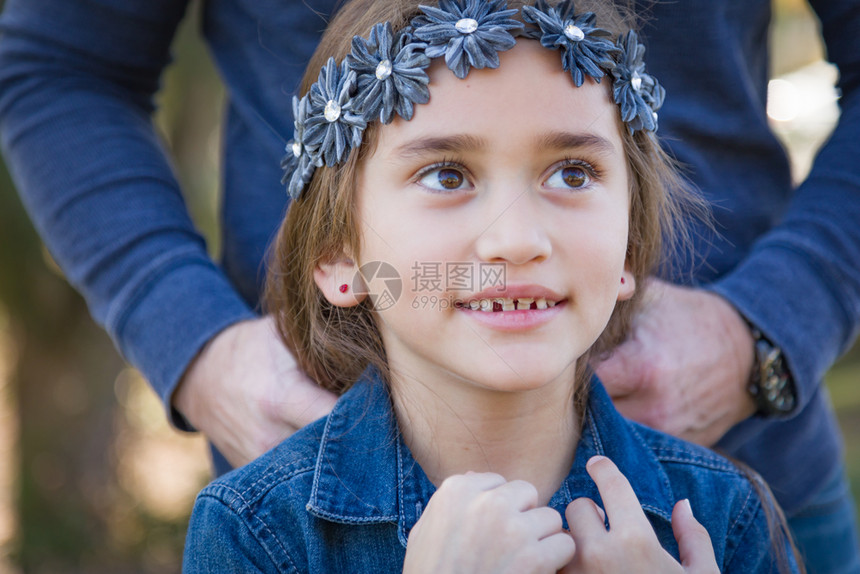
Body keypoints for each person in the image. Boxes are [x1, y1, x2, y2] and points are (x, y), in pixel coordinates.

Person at [0, 0, 857, 571]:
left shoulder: (725, 522)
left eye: (570, 172)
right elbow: (59, 62)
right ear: (336, 256)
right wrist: (190, 342)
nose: (517, 240)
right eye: (447, 175)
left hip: (750, 437)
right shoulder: (258, 534)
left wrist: (777, 319)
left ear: (633, 245)